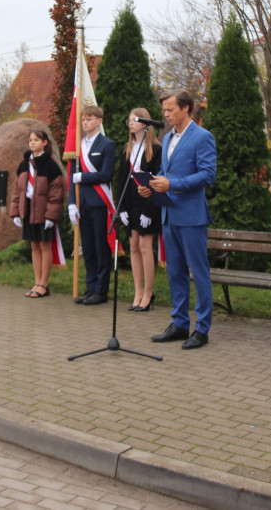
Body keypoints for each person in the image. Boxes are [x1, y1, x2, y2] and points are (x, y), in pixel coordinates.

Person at [139, 90, 217, 349]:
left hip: (192, 216)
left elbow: (207, 175)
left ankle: (202, 328)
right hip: (169, 214)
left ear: (186, 108)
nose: (166, 114)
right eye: (164, 110)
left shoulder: (203, 137)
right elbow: (165, 171)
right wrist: (151, 186)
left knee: (199, 272)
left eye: (171, 109)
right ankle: (180, 323)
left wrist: (172, 183)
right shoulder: (168, 137)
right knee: (175, 272)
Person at [67, 106, 117, 305]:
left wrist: (84, 177)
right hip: (82, 202)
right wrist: (71, 203)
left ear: (99, 121)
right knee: (87, 248)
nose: (85, 122)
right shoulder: (78, 146)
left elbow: (106, 175)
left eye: (89, 119)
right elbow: (72, 178)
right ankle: (90, 287)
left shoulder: (107, 145)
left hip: (99, 202)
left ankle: (101, 290)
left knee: (100, 247)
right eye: (83, 119)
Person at [115, 109, 162, 312]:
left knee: (145, 246)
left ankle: (149, 293)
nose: (131, 123)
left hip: (148, 204)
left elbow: (156, 182)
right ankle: (138, 291)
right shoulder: (127, 148)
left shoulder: (156, 149)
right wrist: (122, 208)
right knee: (133, 246)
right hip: (130, 203)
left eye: (135, 120)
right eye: (129, 120)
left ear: (145, 123)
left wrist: (148, 211)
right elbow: (121, 181)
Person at [9, 128, 65, 298]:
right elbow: (17, 190)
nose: (32, 143)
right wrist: (16, 212)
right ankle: (36, 282)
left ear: (45, 143)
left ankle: (44, 284)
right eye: (30, 140)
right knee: (34, 245)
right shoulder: (23, 165)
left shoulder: (51, 166)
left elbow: (56, 194)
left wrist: (50, 216)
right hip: (28, 211)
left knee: (44, 245)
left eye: (36, 140)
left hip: (43, 212)